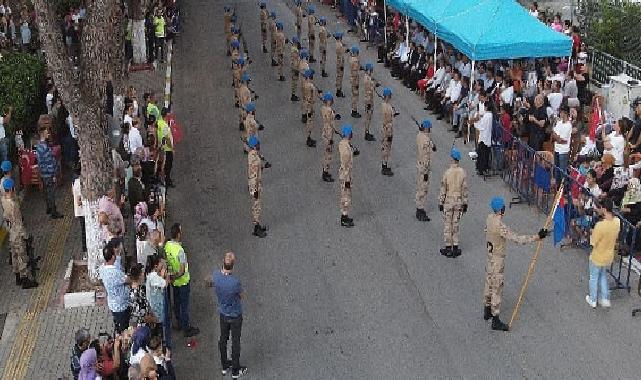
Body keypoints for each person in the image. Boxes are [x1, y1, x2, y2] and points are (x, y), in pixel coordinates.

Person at [484, 197, 547, 331]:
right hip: (497, 258)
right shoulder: (500, 226)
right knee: (497, 288)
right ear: (501, 209)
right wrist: (537, 236)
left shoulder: (489, 218)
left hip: (490, 256)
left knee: (489, 283)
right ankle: (495, 318)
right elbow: (517, 239)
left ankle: (487, 308)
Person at [213, 252, 248, 379]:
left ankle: (224, 365)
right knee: (235, 341)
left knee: (223, 339)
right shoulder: (235, 282)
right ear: (232, 266)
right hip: (235, 314)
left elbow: (211, 283)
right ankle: (235, 369)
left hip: (223, 313)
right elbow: (241, 295)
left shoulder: (216, 275)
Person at [165, 223, 199, 336]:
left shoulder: (168, 245)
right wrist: (175, 277)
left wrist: (171, 277)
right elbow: (182, 271)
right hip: (183, 282)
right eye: (181, 231)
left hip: (174, 283)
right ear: (178, 234)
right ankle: (186, 328)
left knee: (177, 303)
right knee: (184, 306)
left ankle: (178, 322)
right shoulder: (180, 251)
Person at [2, 178, 38, 288]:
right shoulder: (14, 205)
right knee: (22, 255)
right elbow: (19, 222)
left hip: (10, 231)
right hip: (17, 232)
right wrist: (26, 236)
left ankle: (17, 276)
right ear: (12, 189)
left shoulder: (3, 199)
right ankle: (25, 279)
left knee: (14, 254)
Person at [586, 198, 620, 308]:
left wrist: (592, 232)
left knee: (594, 277)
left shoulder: (600, 226)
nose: (598, 210)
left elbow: (593, 242)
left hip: (597, 256)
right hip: (609, 255)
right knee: (603, 276)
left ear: (604, 209)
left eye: (599, 208)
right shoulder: (617, 222)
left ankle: (593, 299)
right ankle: (605, 298)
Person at [438, 147, 468, 258]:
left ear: (452, 158)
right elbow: (464, 190)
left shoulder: (447, 173)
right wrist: (465, 203)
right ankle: (455, 246)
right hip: (459, 201)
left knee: (447, 224)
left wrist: (441, 202)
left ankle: (447, 247)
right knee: (455, 224)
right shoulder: (462, 173)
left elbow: (443, 189)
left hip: (448, 201)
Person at [99, 240, 131, 333]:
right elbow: (127, 280)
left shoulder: (102, 269)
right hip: (121, 304)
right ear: (113, 256)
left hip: (112, 303)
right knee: (124, 329)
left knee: (118, 323)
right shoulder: (115, 273)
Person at [36, 125, 63, 219]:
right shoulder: (45, 147)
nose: (48, 134)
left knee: (46, 191)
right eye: (47, 132)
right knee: (51, 192)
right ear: (43, 134)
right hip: (49, 173)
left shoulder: (39, 145)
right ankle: (53, 212)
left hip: (43, 173)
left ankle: (48, 207)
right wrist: (54, 174)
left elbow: (40, 162)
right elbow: (49, 162)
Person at [247, 136, 268, 237]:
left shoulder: (254, 155)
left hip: (256, 184)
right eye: (258, 143)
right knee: (256, 206)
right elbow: (253, 175)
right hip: (255, 186)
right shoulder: (253, 158)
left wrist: (263, 167)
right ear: (254, 145)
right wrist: (254, 190)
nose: (259, 145)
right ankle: (256, 228)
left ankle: (258, 224)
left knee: (258, 206)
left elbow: (257, 169)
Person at [416, 120, 435, 222]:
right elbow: (427, 157)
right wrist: (427, 170)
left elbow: (423, 136)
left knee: (420, 187)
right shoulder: (426, 141)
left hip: (419, 165)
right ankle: (420, 209)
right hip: (424, 168)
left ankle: (419, 208)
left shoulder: (420, 136)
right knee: (423, 189)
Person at [320, 92, 340, 182]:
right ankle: (325, 172)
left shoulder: (324, 108)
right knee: (328, 155)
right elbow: (331, 120)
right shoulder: (329, 110)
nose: (332, 101)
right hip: (328, 133)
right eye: (331, 100)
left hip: (325, 131)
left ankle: (325, 171)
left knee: (327, 153)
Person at [339, 125, 355, 227]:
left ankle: (344, 215)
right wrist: (348, 179)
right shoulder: (346, 149)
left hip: (344, 173)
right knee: (346, 196)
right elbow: (345, 165)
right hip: (346, 175)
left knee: (345, 195)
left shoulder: (343, 143)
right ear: (349, 134)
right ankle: (344, 217)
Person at [552, 105, 572, 183]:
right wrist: (557, 138)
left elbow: (562, 140)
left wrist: (557, 138)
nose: (560, 114)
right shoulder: (559, 122)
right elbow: (554, 134)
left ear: (565, 113)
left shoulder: (568, 125)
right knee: (556, 170)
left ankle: (564, 189)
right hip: (556, 148)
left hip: (563, 151)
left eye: (561, 112)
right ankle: (558, 187)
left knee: (562, 171)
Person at [72, 164, 87, 254]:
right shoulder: (79, 183)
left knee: (83, 230)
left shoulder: (75, 182)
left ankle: (85, 249)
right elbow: (79, 201)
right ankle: (85, 249)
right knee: (84, 231)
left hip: (79, 211)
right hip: (83, 211)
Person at [157, 107, 174, 187]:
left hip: (161, 147)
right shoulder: (164, 126)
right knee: (168, 165)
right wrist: (171, 148)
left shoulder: (159, 122)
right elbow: (167, 138)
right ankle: (167, 181)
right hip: (167, 149)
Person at [380, 87, 395, 176]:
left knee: (385, 147)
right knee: (386, 148)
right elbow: (387, 121)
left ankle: (384, 164)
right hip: (387, 130)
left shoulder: (384, 105)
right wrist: (389, 134)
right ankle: (384, 166)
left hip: (385, 128)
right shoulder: (387, 107)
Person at [362, 63, 377, 141]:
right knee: (368, 117)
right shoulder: (367, 79)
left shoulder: (367, 77)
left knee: (369, 117)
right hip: (368, 100)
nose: (371, 71)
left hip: (368, 98)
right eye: (370, 70)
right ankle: (366, 132)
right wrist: (375, 84)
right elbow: (371, 88)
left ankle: (367, 131)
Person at [349, 46, 361, 118]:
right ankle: (354, 110)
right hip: (355, 79)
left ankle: (354, 109)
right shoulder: (355, 60)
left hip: (352, 78)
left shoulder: (351, 58)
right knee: (355, 95)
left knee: (354, 95)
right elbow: (355, 70)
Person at [289, 36, 301, 102]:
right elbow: (295, 60)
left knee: (295, 81)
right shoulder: (294, 50)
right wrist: (296, 68)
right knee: (294, 82)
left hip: (295, 66)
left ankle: (293, 94)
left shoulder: (294, 48)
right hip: (295, 67)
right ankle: (293, 95)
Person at [335, 32, 345, 98]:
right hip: (340, 62)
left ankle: (338, 88)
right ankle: (339, 90)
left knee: (338, 76)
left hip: (338, 60)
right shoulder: (340, 45)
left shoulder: (337, 44)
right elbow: (341, 56)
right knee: (340, 77)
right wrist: (341, 65)